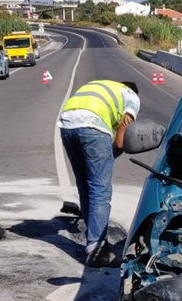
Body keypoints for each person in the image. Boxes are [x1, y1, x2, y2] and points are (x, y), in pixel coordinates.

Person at [58, 79, 140, 267]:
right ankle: (97, 250)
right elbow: (120, 142)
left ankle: (93, 243)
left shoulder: (101, 86)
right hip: (92, 126)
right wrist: (106, 159)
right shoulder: (132, 97)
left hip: (67, 125)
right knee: (100, 188)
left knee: (85, 184)